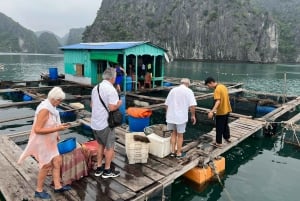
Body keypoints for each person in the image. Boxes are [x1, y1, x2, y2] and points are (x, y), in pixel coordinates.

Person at [18, 87, 71, 199]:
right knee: (46, 165)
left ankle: (57, 186)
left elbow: (51, 124)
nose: (60, 103)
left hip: (50, 140)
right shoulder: (45, 110)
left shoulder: (52, 108)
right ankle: (39, 190)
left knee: (57, 161)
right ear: (53, 98)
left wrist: (57, 133)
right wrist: (58, 129)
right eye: (59, 100)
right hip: (43, 142)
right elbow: (38, 129)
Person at [91, 67, 122, 178]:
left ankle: (99, 168)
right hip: (106, 124)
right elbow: (112, 107)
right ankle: (107, 171)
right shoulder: (111, 90)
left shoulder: (96, 88)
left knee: (100, 145)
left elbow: (92, 105)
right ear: (113, 78)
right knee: (110, 147)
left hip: (95, 123)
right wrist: (119, 103)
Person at [165, 78, 197, 158]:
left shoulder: (173, 90)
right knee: (180, 135)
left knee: (173, 133)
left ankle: (172, 152)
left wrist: (167, 114)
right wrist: (193, 115)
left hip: (171, 116)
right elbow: (192, 106)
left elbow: (166, 104)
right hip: (181, 118)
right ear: (188, 84)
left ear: (181, 83)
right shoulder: (189, 91)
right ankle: (178, 153)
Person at [204, 77, 232, 147]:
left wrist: (212, 111)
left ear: (211, 82)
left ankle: (218, 142)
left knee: (219, 127)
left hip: (221, 111)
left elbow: (218, 101)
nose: (209, 87)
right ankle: (227, 138)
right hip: (227, 109)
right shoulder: (223, 86)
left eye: (208, 85)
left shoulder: (217, 90)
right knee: (225, 125)